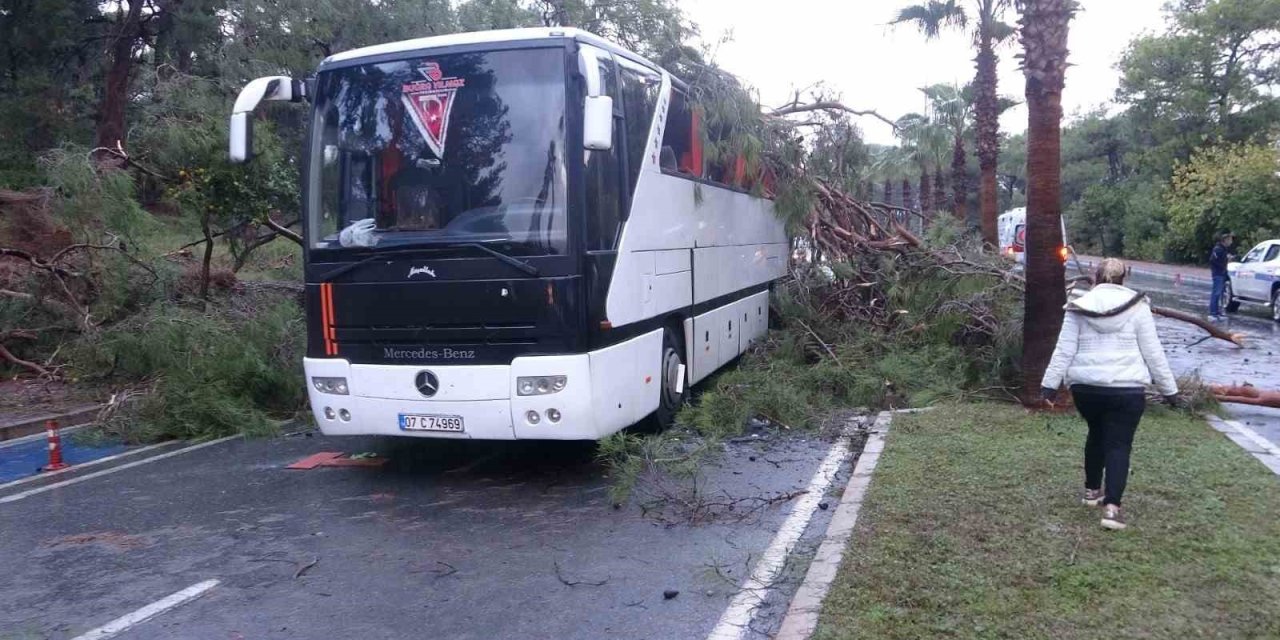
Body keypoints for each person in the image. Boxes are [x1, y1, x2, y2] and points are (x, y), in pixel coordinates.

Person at [1040, 258, 1179, 531]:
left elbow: (1064, 349)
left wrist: (1049, 384)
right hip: (1126, 390)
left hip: (1086, 389)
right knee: (1119, 444)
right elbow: (1153, 352)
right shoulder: (1138, 306)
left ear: (1096, 277)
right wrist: (1169, 390)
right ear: (1124, 278)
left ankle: (1092, 491)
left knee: (1096, 432)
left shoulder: (1079, 306)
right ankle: (1112, 509)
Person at [1208, 230, 1235, 320]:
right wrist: (1223, 265)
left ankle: (1218, 312)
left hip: (1222, 273)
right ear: (1225, 240)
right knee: (1216, 293)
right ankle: (1212, 313)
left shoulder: (1223, 249)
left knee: (1220, 294)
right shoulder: (1218, 249)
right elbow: (1213, 260)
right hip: (1218, 274)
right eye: (1230, 240)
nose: (1231, 242)